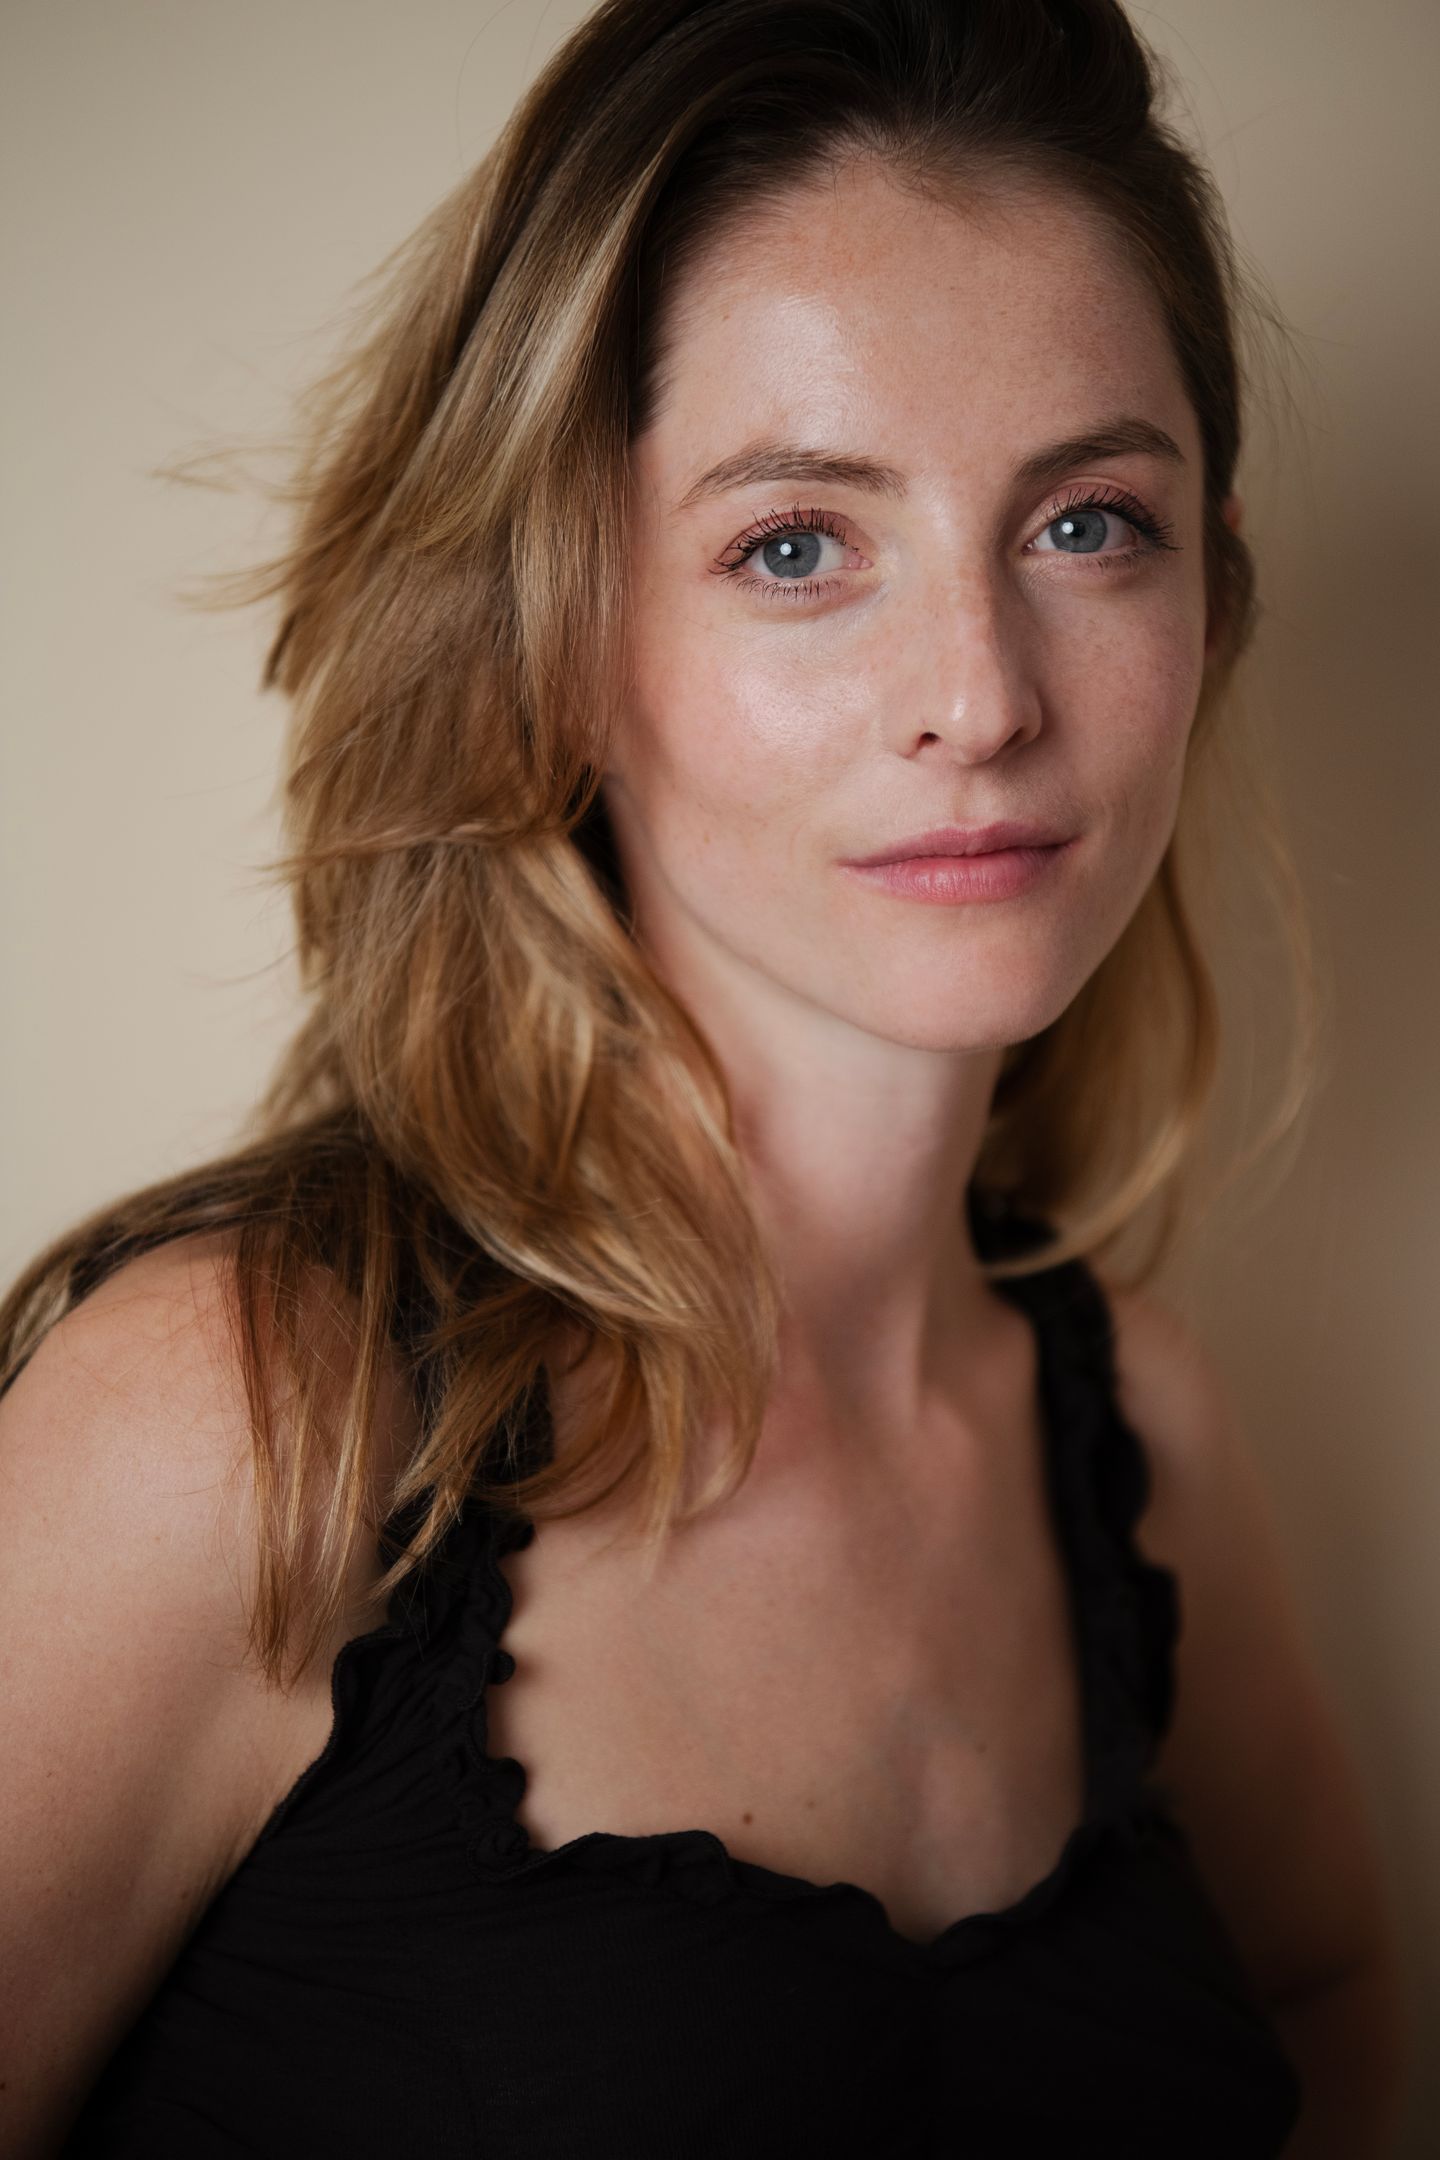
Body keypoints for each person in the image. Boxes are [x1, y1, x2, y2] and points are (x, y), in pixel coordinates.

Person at [0, 0, 1408, 2152]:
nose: (979, 697)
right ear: (561, 641)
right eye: (796, 545)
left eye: (1086, 525)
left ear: (1211, 593)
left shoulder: (1137, 1424)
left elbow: (1326, 1979)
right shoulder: (231, 1426)